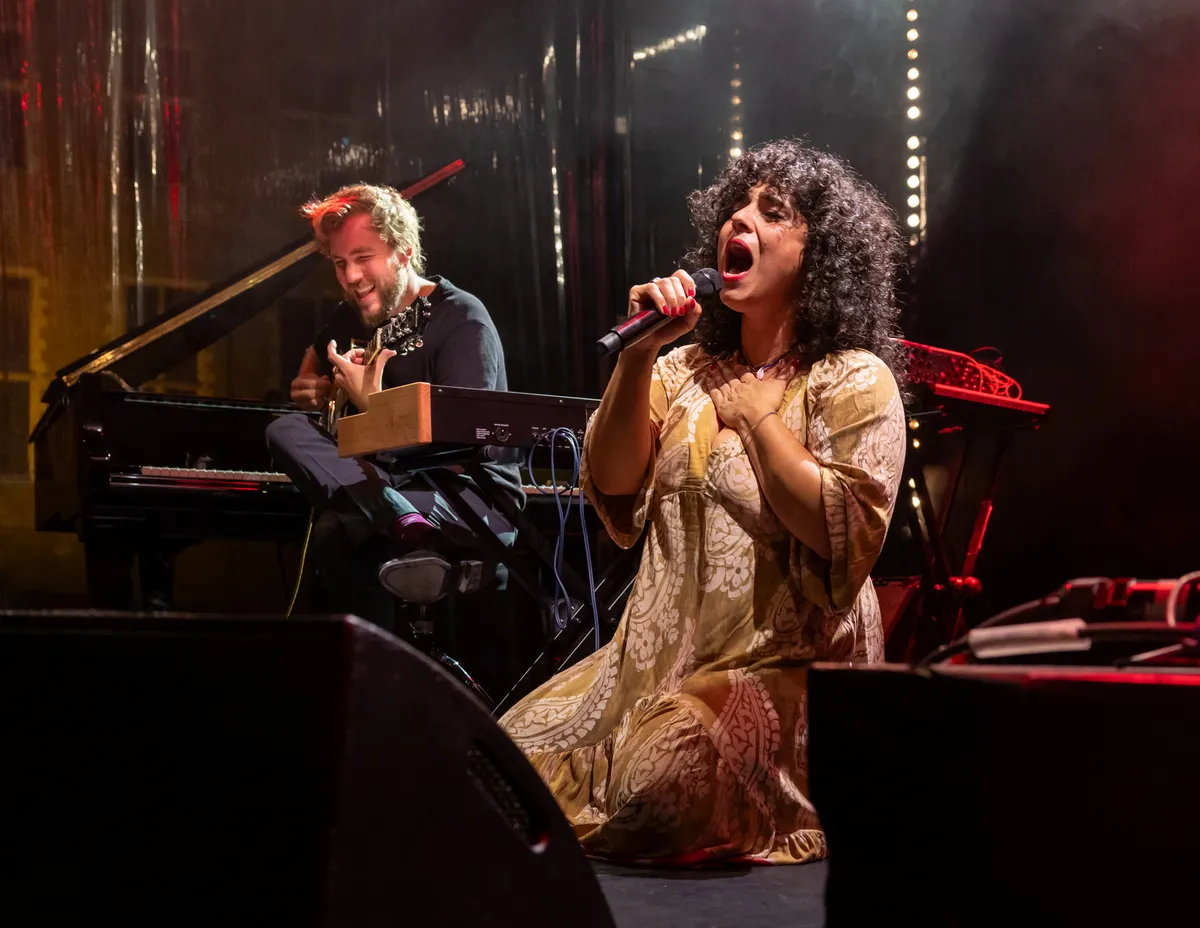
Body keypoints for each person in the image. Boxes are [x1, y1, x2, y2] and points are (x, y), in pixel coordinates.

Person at [499, 140, 907, 864]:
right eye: (735, 208)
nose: (739, 220)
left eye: (771, 212)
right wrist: (638, 355)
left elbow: (842, 530)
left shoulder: (851, 377)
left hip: (782, 673)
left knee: (659, 784)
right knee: (498, 765)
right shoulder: (682, 369)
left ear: (819, 256)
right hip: (649, 667)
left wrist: (758, 420)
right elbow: (614, 480)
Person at [265, 183, 523, 631]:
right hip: (386, 486)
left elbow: (468, 442)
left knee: (338, 530)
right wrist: (317, 390)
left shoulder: (461, 317)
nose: (351, 277)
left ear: (404, 253)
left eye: (363, 258)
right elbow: (314, 369)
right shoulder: (348, 316)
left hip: (466, 495)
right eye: (340, 264)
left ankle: (379, 666)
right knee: (282, 429)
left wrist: (375, 404)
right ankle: (397, 517)